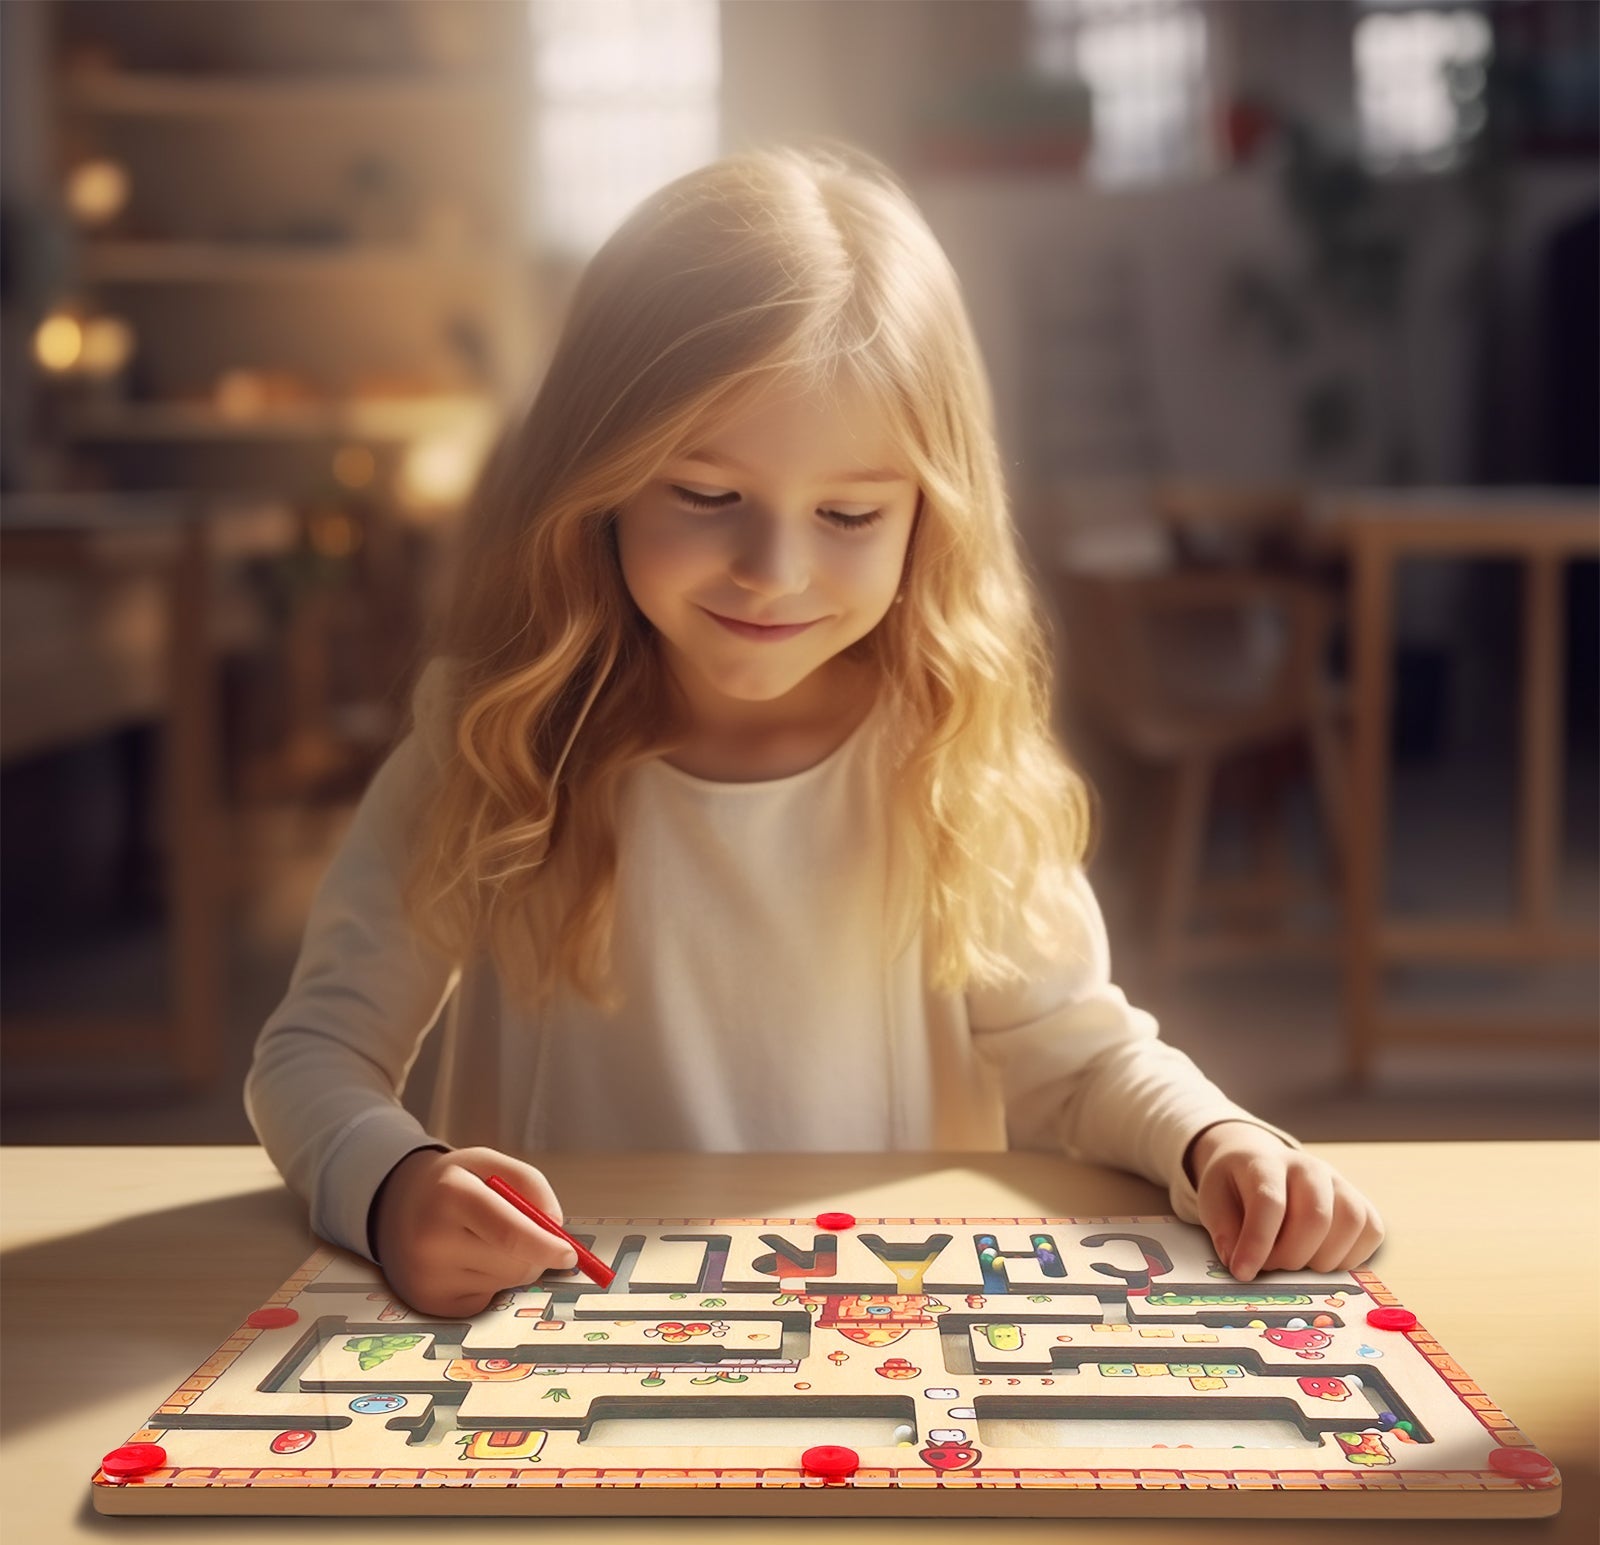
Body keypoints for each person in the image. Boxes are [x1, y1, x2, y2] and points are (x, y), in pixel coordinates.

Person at [245, 142, 1383, 1319]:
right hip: (558, 1355)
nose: (772, 571)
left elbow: (1082, 1058)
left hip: (879, 1356)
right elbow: (312, 1054)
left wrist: (1214, 1136)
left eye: (847, 512)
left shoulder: (949, 757)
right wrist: (391, 1184)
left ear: (924, 521)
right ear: (597, 481)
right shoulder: (491, 739)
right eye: (703, 495)